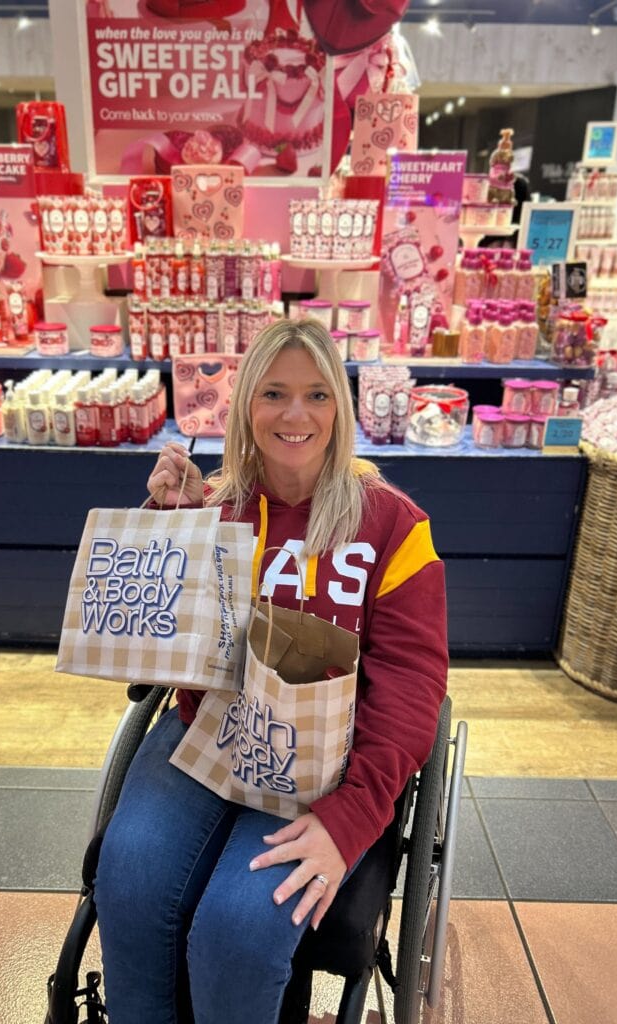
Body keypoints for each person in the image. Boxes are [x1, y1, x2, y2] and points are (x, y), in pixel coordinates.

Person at [94, 318, 448, 1024]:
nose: (296, 414)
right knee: (126, 882)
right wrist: (168, 525)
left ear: (340, 408)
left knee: (239, 930)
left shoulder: (393, 526)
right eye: (275, 393)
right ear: (246, 404)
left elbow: (413, 687)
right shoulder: (215, 506)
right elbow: (154, 638)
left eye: (317, 395)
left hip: (327, 761)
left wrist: (351, 817)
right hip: (209, 730)